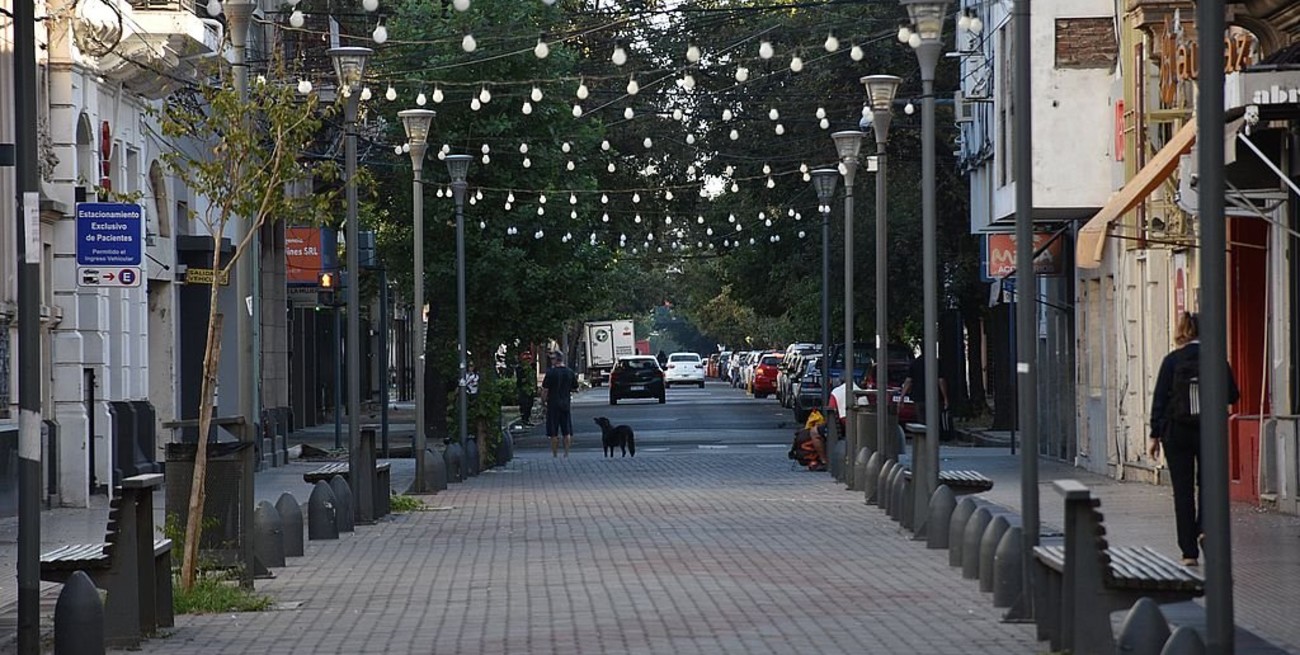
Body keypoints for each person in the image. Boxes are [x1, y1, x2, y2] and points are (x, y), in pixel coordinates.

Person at [1149, 312, 1240, 566]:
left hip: (1176, 433)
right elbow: (1233, 395)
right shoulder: (1215, 360)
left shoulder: (1171, 361)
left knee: (1183, 491)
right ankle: (1205, 529)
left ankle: (1188, 552)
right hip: (1209, 431)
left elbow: (1159, 400)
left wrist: (1154, 435)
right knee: (1209, 485)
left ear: (1182, 331)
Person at [541, 350, 579, 458]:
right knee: (566, 430)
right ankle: (566, 453)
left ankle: (555, 454)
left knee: (553, 431)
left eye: (552, 358)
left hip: (553, 404)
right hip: (565, 404)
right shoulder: (569, 372)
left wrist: (543, 402)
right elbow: (575, 388)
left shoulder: (550, 373)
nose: (551, 361)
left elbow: (545, 390)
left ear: (555, 359)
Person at [899, 352, 948, 428]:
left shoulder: (915, 363)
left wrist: (902, 397)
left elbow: (908, 381)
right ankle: (933, 437)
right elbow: (941, 381)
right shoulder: (936, 362)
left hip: (919, 398)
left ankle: (924, 438)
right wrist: (945, 398)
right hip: (935, 398)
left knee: (921, 424)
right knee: (934, 423)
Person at [516, 353, 537, 426]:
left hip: (530, 388)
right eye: (526, 359)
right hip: (523, 388)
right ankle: (524, 419)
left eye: (529, 359)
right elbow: (519, 379)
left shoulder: (531, 367)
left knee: (530, 404)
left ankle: (527, 418)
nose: (528, 361)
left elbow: (533, 378)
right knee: (524, 404)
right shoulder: (520, 368)